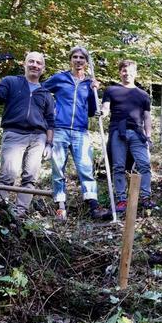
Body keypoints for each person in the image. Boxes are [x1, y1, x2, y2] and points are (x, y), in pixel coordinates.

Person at [43, 46, 107, 221]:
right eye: (75, 57)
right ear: (70, 59)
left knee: (86, 168)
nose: (78, 60)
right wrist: (51, 110)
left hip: (80, 131)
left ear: (86, 62)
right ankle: (60, 206)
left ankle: (93, 206)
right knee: (58, 169)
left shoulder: (89, 83)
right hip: (60, 129)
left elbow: (92, 110)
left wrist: (96, 94)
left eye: (82, 58)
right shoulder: (60, 78)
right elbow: (41, 92)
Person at [0, 52, 54, 218]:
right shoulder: (11, 81)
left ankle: (20, 214)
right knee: (7, 175)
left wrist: (49, 144)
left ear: (43, 68)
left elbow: (50, 121)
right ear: (24, 64)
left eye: (39, 63)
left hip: (38, 138)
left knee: (30, 178)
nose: (34, 65)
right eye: (31, 61)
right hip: (14, 134)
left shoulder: (46, 93)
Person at [101, 60, 156, 213]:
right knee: (118, 166)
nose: (127, 74)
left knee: (144, 164)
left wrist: (149, 136)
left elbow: (147, 117)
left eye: (130, 71)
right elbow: (105, 108)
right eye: (124, 71)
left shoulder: (143, 94)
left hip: (138, 134)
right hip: (118, 132)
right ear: (120, 72)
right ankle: (121, 200)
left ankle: (145, 197)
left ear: (135, 73)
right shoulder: (111, 90)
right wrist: (102, 113)